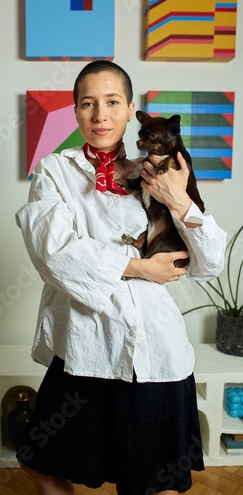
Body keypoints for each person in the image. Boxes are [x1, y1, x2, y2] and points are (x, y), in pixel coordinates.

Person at [15, 61, 226, 495]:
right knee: (43, 461)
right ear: (75, 112)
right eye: (88, 104)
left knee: (154, 480)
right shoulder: (55, 170)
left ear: (131, 110)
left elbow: (211, 262)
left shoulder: (158, 173)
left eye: (112, 102)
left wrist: (180, 201)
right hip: (84, 345)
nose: (100, 115)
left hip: (154, 350)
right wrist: (138, 267)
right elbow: (53, 250)